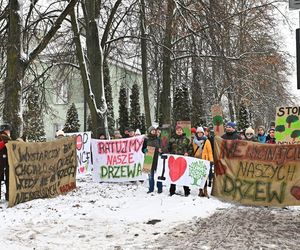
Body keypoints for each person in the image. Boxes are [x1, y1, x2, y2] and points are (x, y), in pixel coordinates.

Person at [168, 125, 192, 196]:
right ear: (176, 131)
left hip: (183, 161)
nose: (179, 131)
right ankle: (172, 191)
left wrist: (188, 153)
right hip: (174, 161)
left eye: (180, 130)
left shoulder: (186, 139)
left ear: (182, 131)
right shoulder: (172, 139)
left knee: (184, 176)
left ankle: (187, 191)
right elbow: (168, 148)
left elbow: (190, 148)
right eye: (177, 130)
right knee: (173, 175)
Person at [192, 127, 213, 197]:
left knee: (204, 176)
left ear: (203, 133)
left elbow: (210, 152)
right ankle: (200, 190)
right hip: (197, 160)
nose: (199, 134)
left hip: (205, 160)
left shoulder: (207, 141)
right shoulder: (194, 141)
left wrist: (211, 160)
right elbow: (192, 150)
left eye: (201, 133)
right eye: (198, 133)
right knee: (199, 176)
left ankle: (205, 190)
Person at [143, 126, 162, 194]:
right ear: (149, 131)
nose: (153, 131)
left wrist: (161, 151)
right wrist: (145, 150)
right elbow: (142, 149)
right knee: (150, 175)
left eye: (154, 130)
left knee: (159, 174)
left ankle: (160, 189)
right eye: (152, 130)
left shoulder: (159, 139)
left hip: (157, 157)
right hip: (149, 157)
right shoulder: (146, 139)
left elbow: (162, 148)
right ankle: (151, 189)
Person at [0, 124, 12, 201]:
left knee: (8, 179)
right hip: (2, 161)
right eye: (8, 130)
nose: (9, 132)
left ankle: (8, 195)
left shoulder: (8, 138)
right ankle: (8, 195)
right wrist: (4, 143)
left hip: (6, 161)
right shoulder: (2, 137)